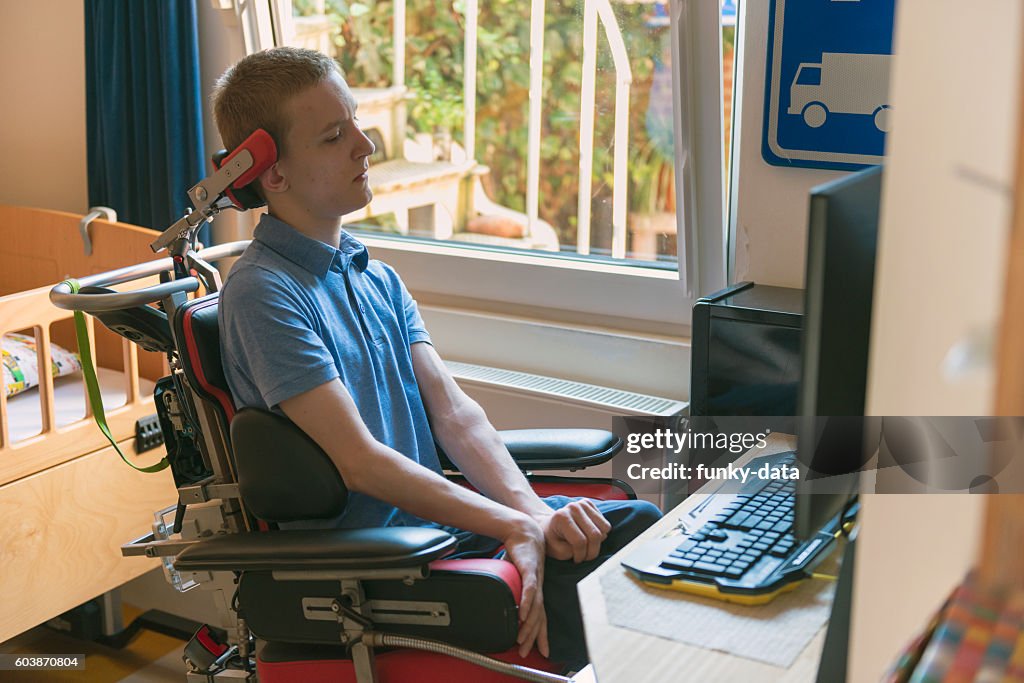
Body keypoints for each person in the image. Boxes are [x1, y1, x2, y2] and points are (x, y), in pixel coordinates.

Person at [212, 46, 660, 671]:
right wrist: (511, 528)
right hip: (383, 563)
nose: (366, 147)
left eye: (357, 123)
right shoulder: (264, 293)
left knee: (638, 528)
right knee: (615, 586)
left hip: (444, 532)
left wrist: (530, 515)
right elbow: (362, 463)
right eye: (336, 136)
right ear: (274, 173)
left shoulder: (378, 278)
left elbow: (455, 416)